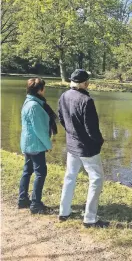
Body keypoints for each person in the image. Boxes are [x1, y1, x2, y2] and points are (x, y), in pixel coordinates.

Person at [58, 69, 109, 228]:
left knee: (70, 177)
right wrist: (99, 141)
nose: (89, 84)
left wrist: (71, 134)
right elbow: (91, 129)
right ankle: (90, 218)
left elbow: (61, 118)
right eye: (88, 82)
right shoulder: (87, 101)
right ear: (85, 83)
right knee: (97, 179)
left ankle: (63, 212)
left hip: (72, 145)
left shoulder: (64, 96)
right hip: (87, 148)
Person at [18, 77, 55, 214]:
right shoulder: (34, 106)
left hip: (28, 143)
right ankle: (36, 204)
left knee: (27, 171)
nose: (45, 90)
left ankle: (22, 200)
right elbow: (39, 129)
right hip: (35, 145)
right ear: (40, 90)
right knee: (41, 173)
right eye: (44, 88)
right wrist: (48, 144)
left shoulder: (28, 102)